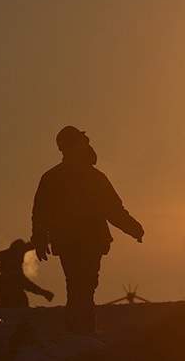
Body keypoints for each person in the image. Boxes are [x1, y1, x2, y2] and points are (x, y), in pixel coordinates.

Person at [31, 125, 144, 333]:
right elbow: (41, 212)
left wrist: (133, 228)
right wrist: (39, 237)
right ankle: (80, 329)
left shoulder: (62, 177)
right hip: (79, 241)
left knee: (81, 284)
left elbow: (113, 209)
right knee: (81, 285)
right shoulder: (77, 178)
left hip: (81, 241)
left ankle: (79, 328)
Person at [0, 239, 54, 309]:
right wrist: (44, 293)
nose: (22, 258)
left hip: (9, 304)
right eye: (21, 254)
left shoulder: (6, 273)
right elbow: (26, 284)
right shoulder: (11, 270)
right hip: (13, 304)